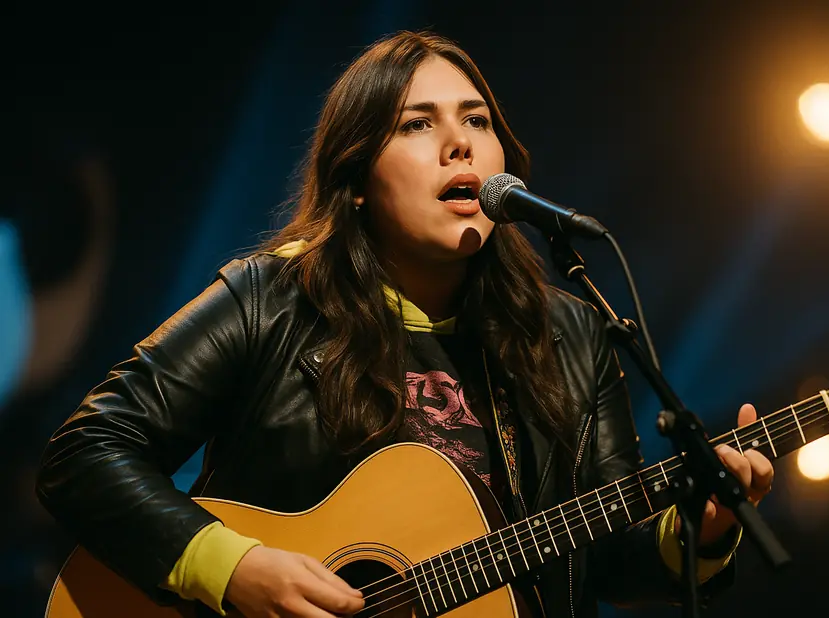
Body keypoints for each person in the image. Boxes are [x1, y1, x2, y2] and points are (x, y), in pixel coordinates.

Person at [35, 30, 774, 618]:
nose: (460, 143)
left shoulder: (573, 337)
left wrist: (699, 534)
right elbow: (86, 454)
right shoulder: (276, 298)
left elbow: (605, 558)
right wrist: (234, 569)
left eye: (476, 121)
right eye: (417, 124)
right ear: (356, 182)